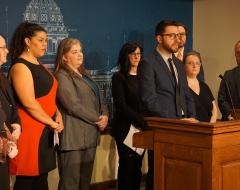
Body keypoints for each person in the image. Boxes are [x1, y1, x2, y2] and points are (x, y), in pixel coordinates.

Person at [138, 20, 197, 190]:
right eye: (171, 36)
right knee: (159, 175)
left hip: (184, 127)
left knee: (179, 174)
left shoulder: (178, 63)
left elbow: (186, 95)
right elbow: (149, 99)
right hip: (162, 128)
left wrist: (192, 118)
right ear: (159, 38)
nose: (176, 40)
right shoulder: (148, 63)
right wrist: (175, 122)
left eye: (178, 36)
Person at [8, 22, 63, 190]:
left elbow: (48, 97)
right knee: (27, 180)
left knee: (41, 178)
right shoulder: (20, 66)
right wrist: (52, 122)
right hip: (30, 130)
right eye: (40, 40)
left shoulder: (39, 65)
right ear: (27, 41)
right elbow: (29, 103)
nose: (45, 44)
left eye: (46, 40)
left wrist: (57, 114)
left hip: (45, 127)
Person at [54, 37, 108, 190]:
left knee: (84, 183)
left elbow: (100, 98)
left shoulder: (85, 75)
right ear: (64, 56)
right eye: (75, 52)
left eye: (81, 51)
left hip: (90, 136)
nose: (80, 55)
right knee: (69, 184)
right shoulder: (61, 76)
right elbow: (72, 105)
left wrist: (105, 115)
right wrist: (97, 119)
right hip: (73, 138)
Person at [111, 42, 145, 190]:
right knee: (127, 167)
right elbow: (121, 105)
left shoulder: (145, 77)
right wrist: (141, 121)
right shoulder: (119, 77)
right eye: (133, 54)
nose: (137, 57)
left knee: (137, 167)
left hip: (143, 130)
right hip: (126, 129)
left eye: (139, 54)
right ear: (126, 56)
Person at [0, 34, 21, 190]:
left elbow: (12, 107)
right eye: (3, 47)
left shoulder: (4, 78)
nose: (7, 51)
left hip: (5, 147)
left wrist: (17, 125)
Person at [184, 51, 217, 122]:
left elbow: (214, 109)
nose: (194, 66)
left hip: (209, 128)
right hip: (192, 129)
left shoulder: (205, 86)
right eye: (190, 63)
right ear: (184, 66)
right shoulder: (181, 86)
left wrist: (210, 126)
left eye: (197, 63)